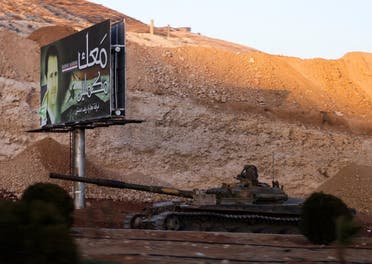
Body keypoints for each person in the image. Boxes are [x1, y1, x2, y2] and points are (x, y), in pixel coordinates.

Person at [39, 46, 61, 126]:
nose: (54, 83)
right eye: (51, 75)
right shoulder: (41, 104)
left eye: (56, 74)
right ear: (46, 78)